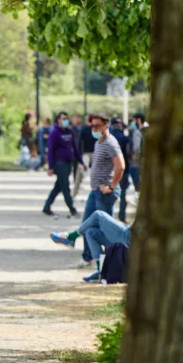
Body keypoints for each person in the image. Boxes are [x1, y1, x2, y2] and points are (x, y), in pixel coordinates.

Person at [77, 113, 124, 269]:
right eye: (92, 125)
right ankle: (88, 256)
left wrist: (111, 186)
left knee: (105, 231)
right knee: (86, 224)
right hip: (95, 190)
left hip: (105, 193)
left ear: (106, 126)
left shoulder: (111, 143)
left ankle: (109, 265)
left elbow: (121, 166)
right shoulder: (99, 142)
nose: (94, 128)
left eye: (98, 126)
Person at [50, 210, 131, 283]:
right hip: (129, 234)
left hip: (129, 238)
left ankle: (71, 237)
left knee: (98, 214)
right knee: (90, 232)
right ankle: (101, 272)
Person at [42, 111, 83, 217]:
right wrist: (50, 166)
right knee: (65, 187)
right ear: (58, 120)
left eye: (67, 118)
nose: (65, 121)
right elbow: (50, 150)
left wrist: (80, 161)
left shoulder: (69, 132)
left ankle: (46, 207)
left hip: (68, 162)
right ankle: (72, 209)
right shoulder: (54, 133)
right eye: (63, 119)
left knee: (58, 187)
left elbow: (74, 147)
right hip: (59, 163)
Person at [109, 117, 134, 222]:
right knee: (123, 194)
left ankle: (108, 217)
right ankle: (122, 216)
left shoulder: (107, 138)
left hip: (109, 170)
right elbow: (130, 154)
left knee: (108, 194)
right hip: (123, 170)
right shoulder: (126, 139)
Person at [70, 113, 86, 199]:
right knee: (75, 168)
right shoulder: (71, 129)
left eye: (78, 118)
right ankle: (75, 183)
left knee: (82, 168)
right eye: (75, 118)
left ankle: (79, 183)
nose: (76, 120)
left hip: (82, 151)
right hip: (73, 152)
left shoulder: (83, 128)